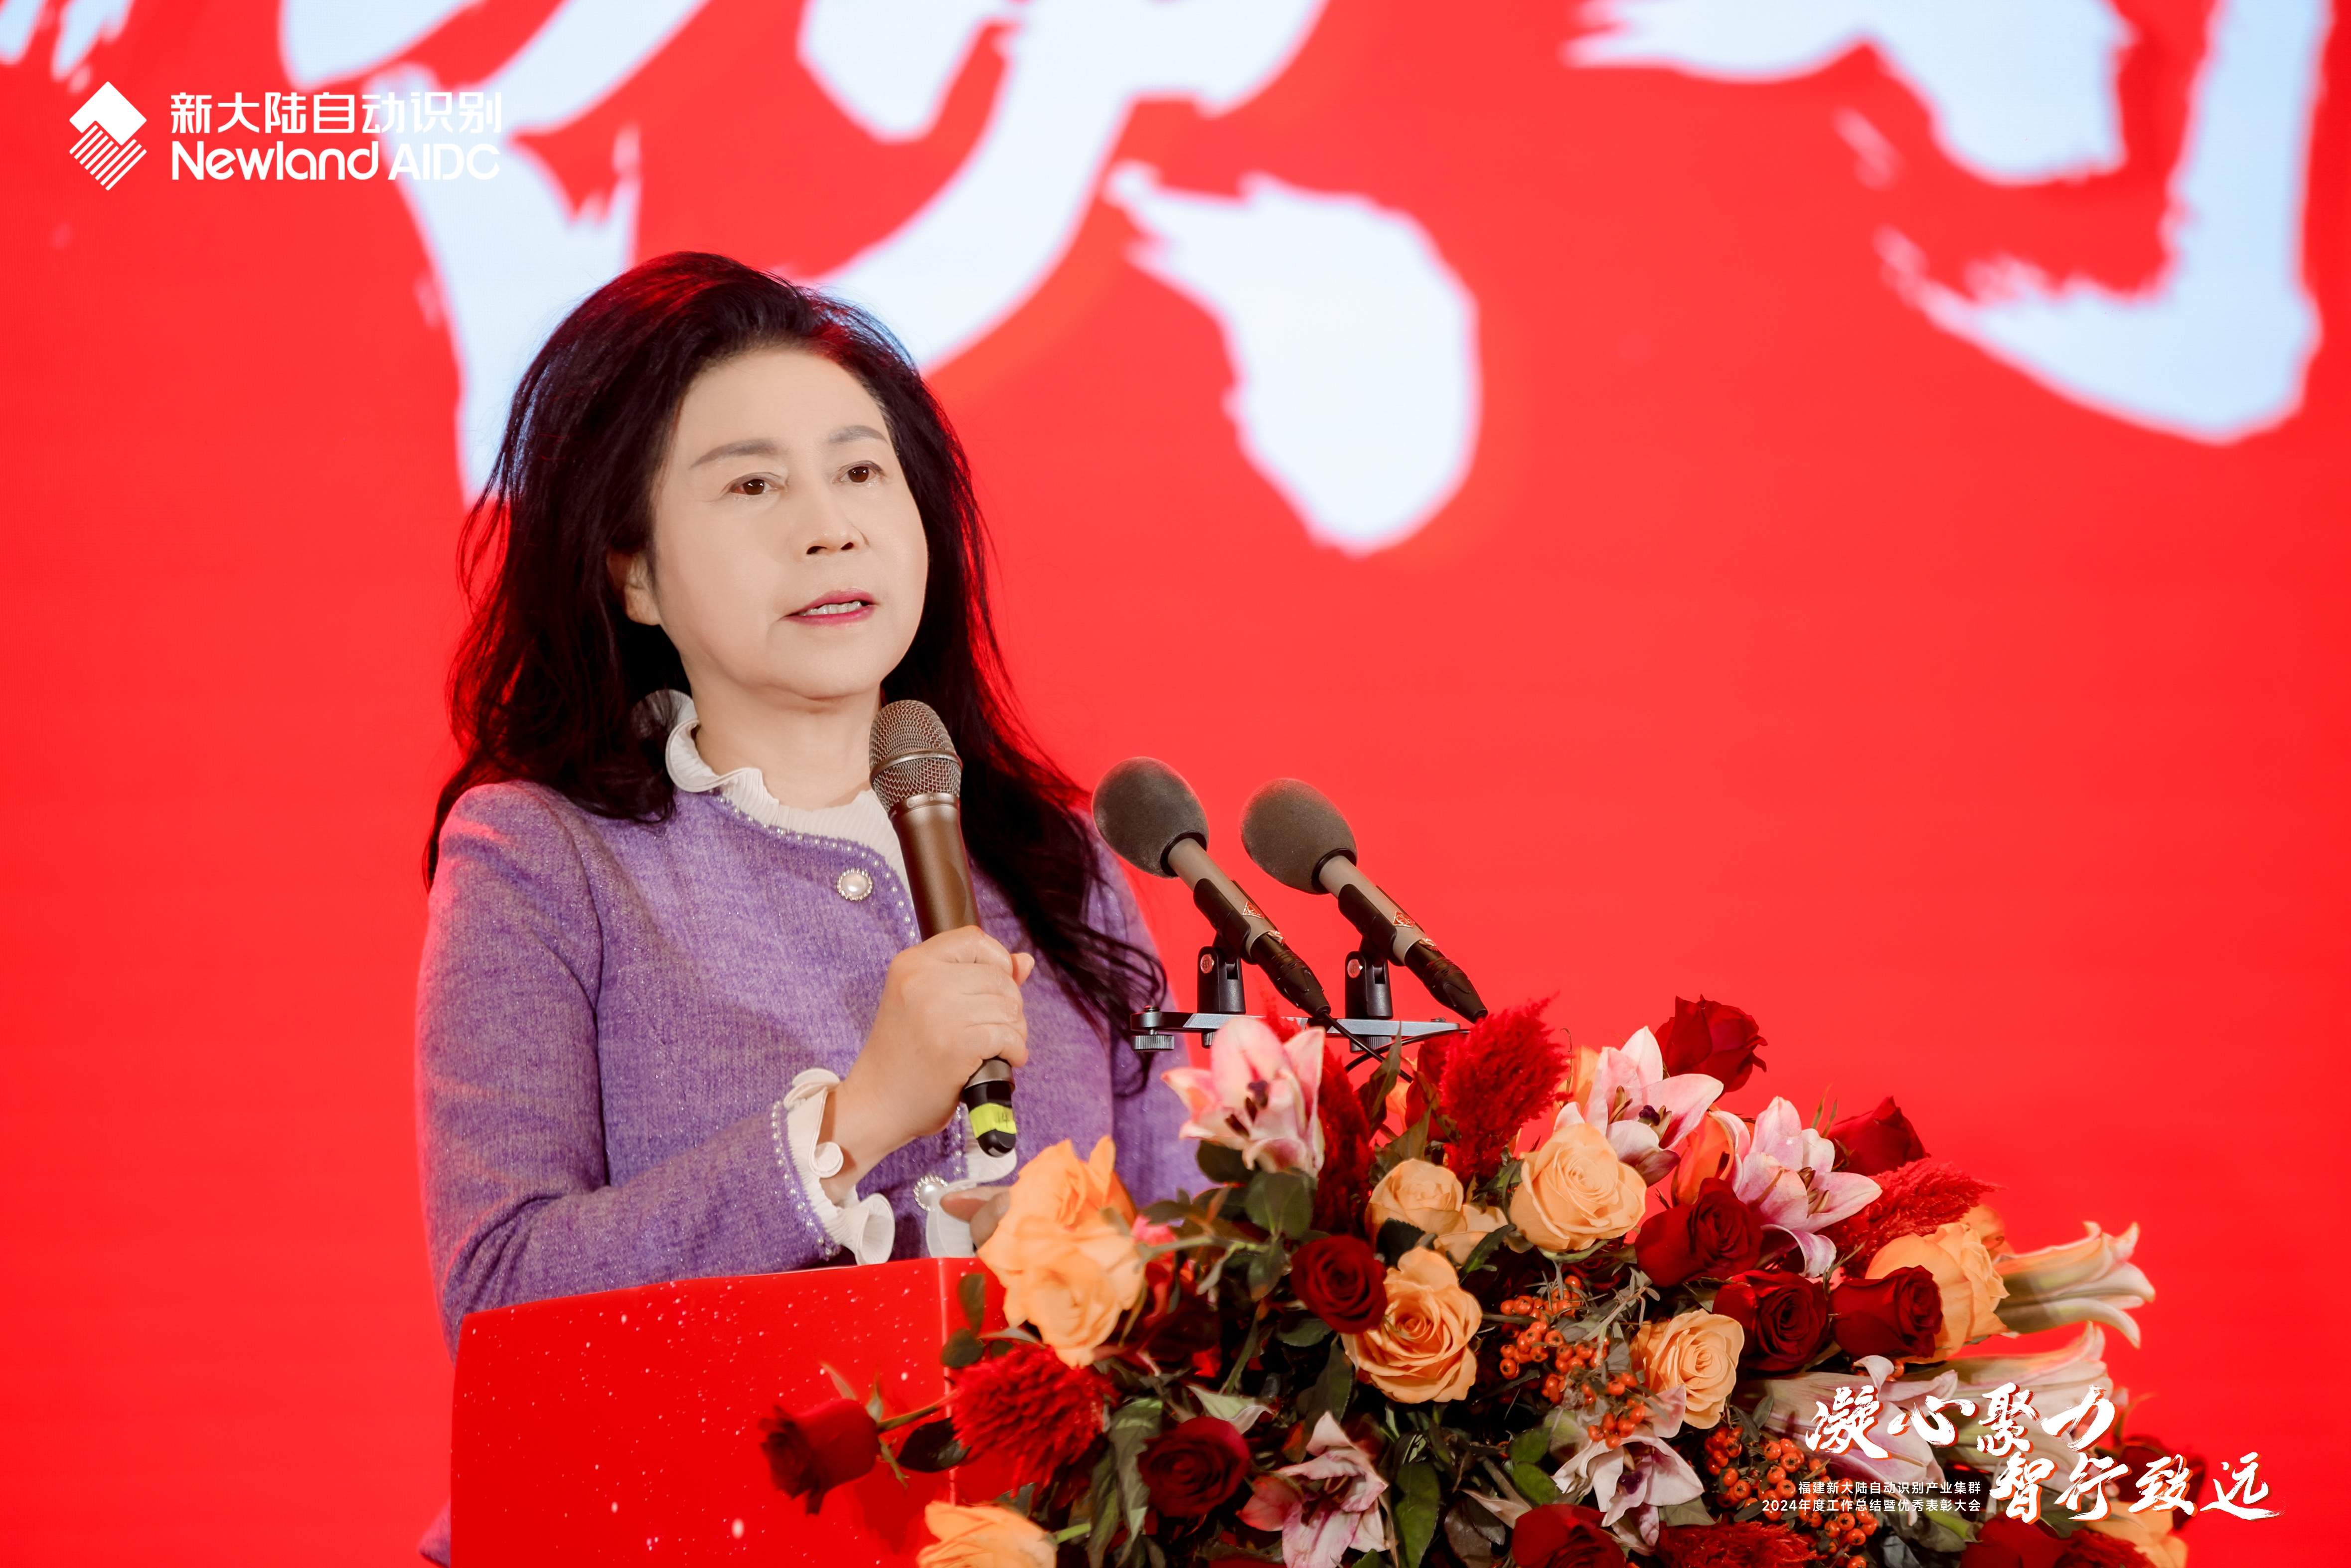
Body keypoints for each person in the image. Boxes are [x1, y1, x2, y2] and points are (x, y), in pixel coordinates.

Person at [412, 252, 1183, 1561]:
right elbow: (500, 1303)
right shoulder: (544, 856)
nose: (830, 527)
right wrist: (856, 1119)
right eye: (754, 485)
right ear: (634, 575)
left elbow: (1185, 1257)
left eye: (861, 472)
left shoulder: (1053, 861)